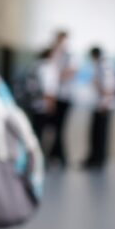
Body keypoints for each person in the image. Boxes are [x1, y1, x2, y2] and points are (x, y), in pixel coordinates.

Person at [82, 46, 115, 170]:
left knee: (101, 135)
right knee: (95, 133)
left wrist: (105, 104)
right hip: (99, 105)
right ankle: (94, 158)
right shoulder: (100, 65)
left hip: (104, 106)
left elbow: (109, 88)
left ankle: (99, 160)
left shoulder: (105, 65)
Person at [48, 30, 77, 166]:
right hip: (53, 97)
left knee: (60, 128)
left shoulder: (69, 56)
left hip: (64, 97)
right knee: (53, 128)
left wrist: (55, 76)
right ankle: (55, 155)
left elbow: (68, 73)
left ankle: (60, 157)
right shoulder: (53, 54)